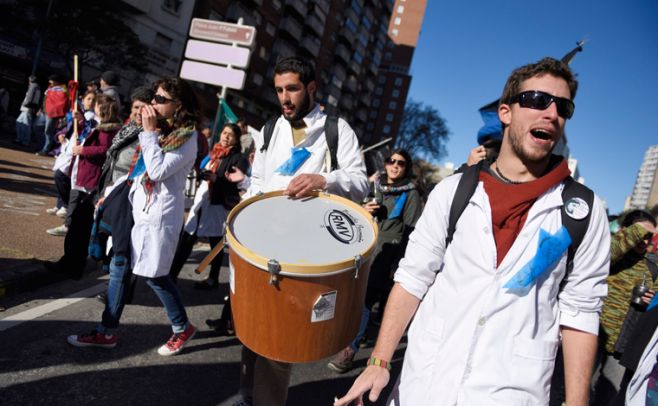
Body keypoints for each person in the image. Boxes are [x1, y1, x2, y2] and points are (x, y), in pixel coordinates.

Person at [335, 57, 610, 406]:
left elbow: (581, 313)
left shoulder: (584, 212)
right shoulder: (454, 192)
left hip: (512, 394)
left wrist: (577, 402)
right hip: (424, 387)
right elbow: (413, 278)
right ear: (505, 112)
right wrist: (378, 361)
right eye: (538, 100)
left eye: (563, 107)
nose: (552, 113)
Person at [234, 56, 368, 406]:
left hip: (303, 251)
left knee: (277, 341)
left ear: (310, 88)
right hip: (259, 244)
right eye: (279, 90)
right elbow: (260, 181)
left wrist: (324, 179)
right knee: (249, 327)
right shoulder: (269, 128)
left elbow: (360, 183)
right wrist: (240, 221)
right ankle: (248, 396)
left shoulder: (337, 129)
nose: (284, 98)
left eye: (292, 88)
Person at [67, 77, 200, 356]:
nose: (154, 104)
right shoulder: (158, 131)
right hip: (134, 210)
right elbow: (134, 169)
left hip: (158, 219)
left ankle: (181, 327)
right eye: (154, 97)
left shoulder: (187, 137)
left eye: (161, 100)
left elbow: (156, 170)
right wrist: (113, 192)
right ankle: (107, 332)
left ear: (179, 106)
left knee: (154, 276)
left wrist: (149, 132)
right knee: (120, 268)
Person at [328, 148, 422, 373]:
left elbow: (411, 231)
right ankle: (349, 336)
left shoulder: (411, 193)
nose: (395, 165)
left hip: (388, 252)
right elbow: (350, 213)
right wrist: (363, 209)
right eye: (391, 161)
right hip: (362, 247)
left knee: (366, 301)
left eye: (401, 163)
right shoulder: (374, 186)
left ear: (406, 168)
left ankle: (349, 350)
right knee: (351, 296)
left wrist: (399, 262)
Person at [45, 94, 121, 275]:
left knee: (77, 224)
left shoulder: (108, 131)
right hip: (83, 178)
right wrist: (78, 122)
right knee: (76, 223)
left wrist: (83, 150)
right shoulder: (100, 127)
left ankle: (71, 263)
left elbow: (104, 150)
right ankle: (71, 262)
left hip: (89, 181)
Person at [168, 122, 248, 289]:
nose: (226, 136)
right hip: (202, 201)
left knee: (215, 243)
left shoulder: (238, 158)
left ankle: (212, 278)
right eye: (224, 132)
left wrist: (216, 179)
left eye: (231, 134)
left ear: (236, 139)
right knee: (188, 239)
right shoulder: (214, 153)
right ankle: (172, 276)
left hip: (217, 205)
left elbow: (237, 183)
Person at [592, 209, 658, 403]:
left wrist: (650, 299)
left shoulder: (652, 266)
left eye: (650, 237)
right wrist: (637, 231)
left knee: (608, 395)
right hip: (594, 332)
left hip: (623, 342)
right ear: (625, 231)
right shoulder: (609, 254)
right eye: (641, 234)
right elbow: (609, 252)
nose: (645, 241)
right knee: (579, 387)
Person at [45, 90, 97, 222]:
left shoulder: (93, 118)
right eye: (88, 98)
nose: (91, 102)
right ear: (83, 99)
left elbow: (88, 129)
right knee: (61, 175)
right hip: (68, 148)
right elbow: (65, 129)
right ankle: (60, 204)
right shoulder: (76, 112)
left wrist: (82, 121)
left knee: (62, 176)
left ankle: (66, 204)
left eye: (94, 99)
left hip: (78, 151)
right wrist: (60, 135)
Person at [37, 74, 69, 156]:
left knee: (48, 131)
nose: (49, 81)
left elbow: (61, 102)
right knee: (37, 127)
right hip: (44, 111)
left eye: (51, 80)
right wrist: (40, 109)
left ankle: (45, 149)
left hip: (52, 113)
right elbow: (45, 99)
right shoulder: (50, 88)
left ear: (56, 81)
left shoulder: (63, 90)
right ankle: (42, 146)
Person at [15, 75, 41, 146]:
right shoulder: (36, 87)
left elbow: (29, 98)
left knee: (26, 124)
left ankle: (24, 141)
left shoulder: (33, 86)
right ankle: (20, 139)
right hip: (27, 108)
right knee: (19, 122)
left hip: (28, 108)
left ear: (30, 80)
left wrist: (25, 104)